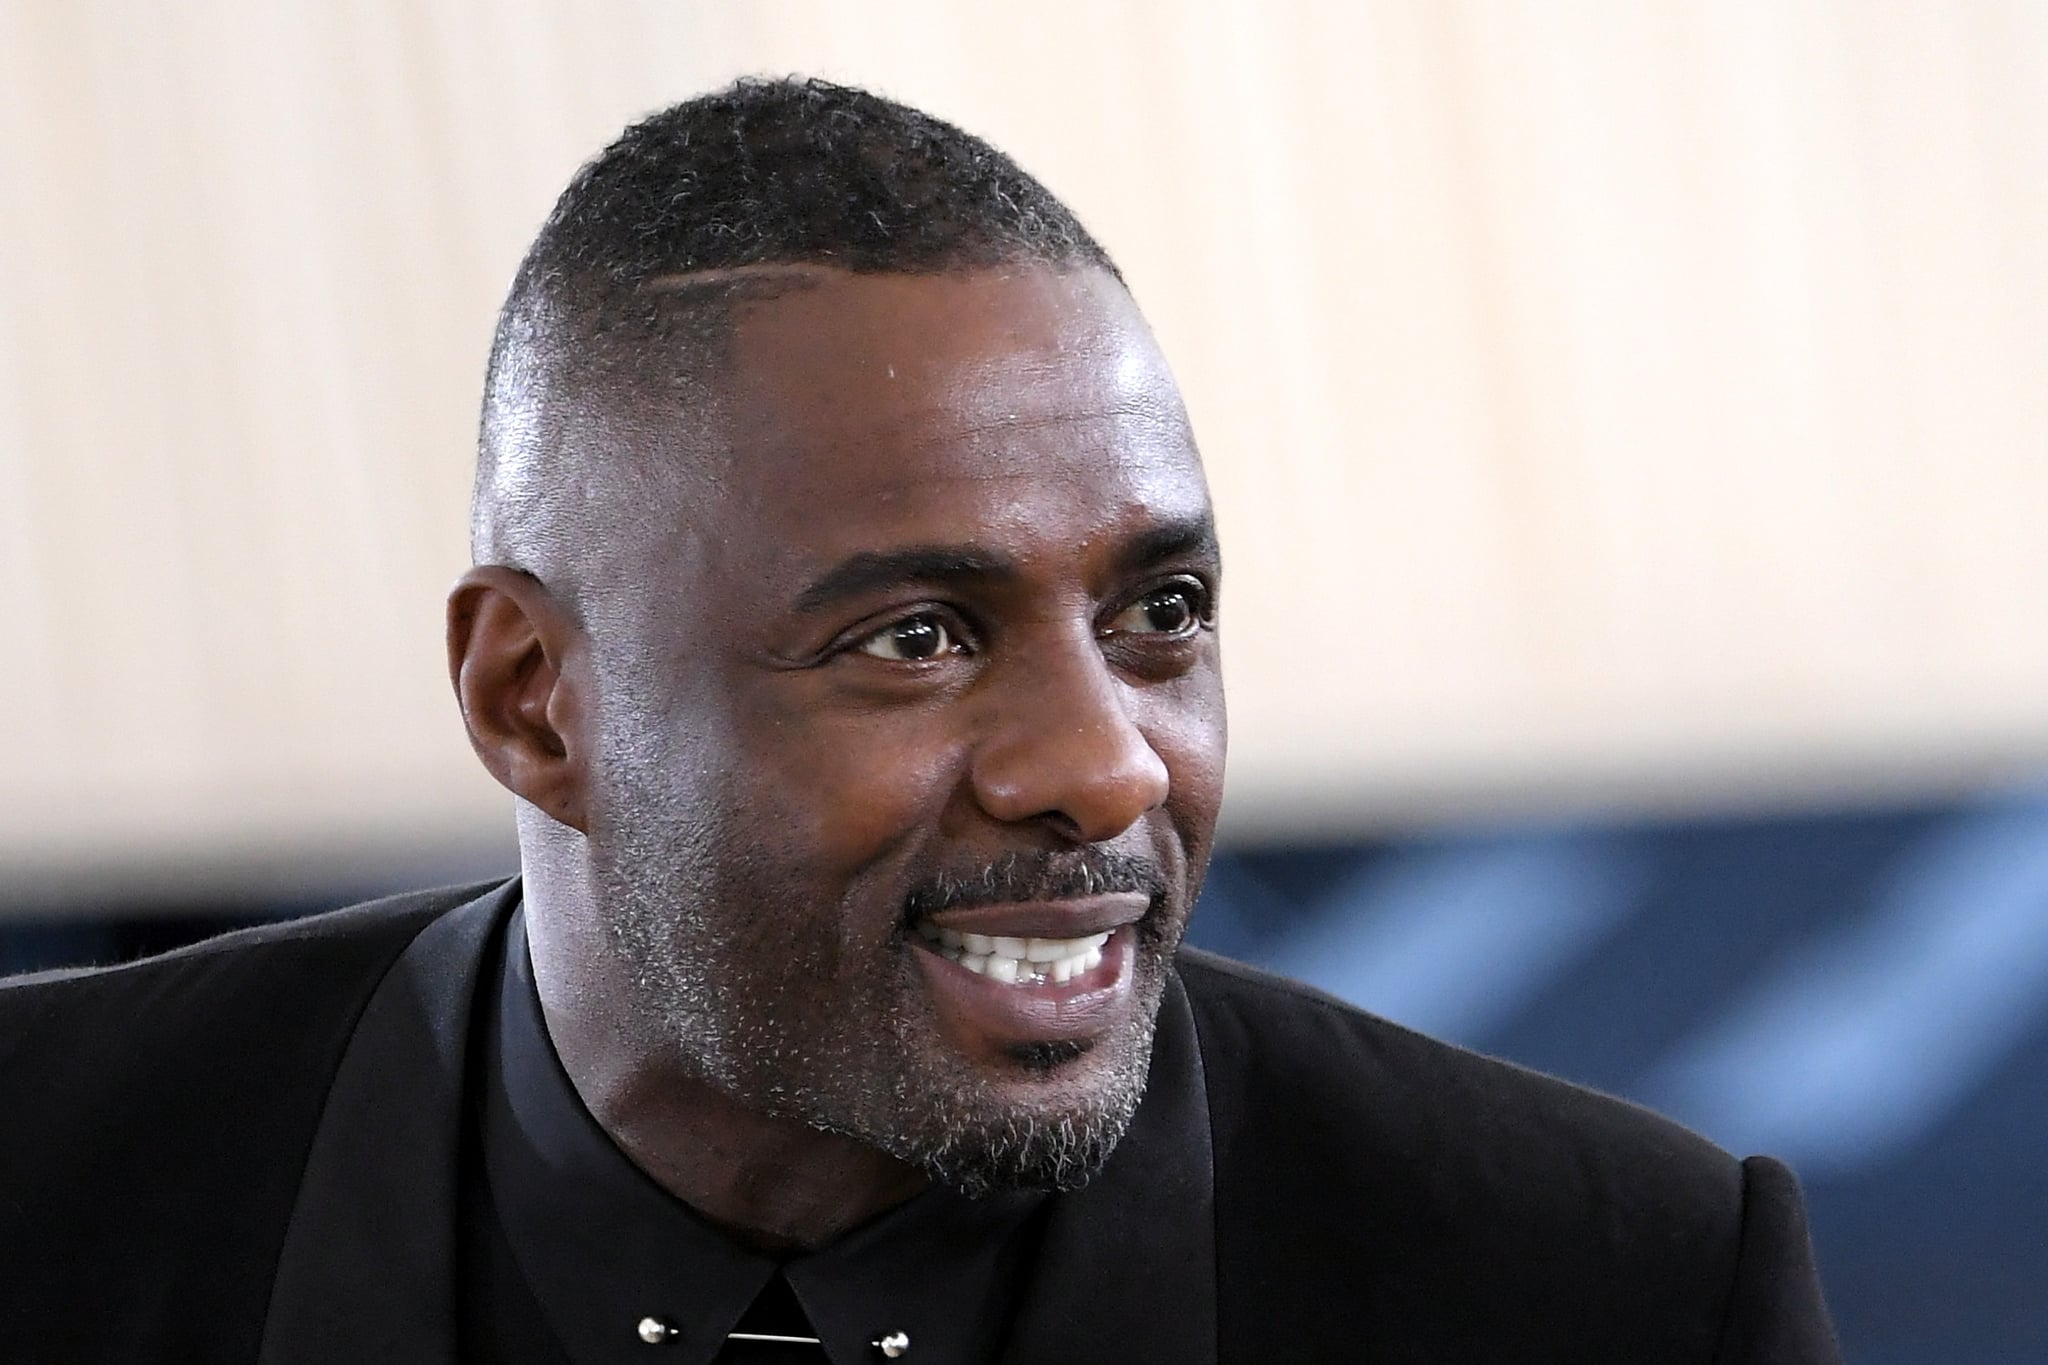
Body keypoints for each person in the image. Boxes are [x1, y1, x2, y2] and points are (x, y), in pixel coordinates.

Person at [0, 78, 1841, 1363]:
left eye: (1161, 614)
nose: (1108, 761)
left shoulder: (1616, 1294)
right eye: (915, 634)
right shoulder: (53, 1186)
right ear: (531, 699)